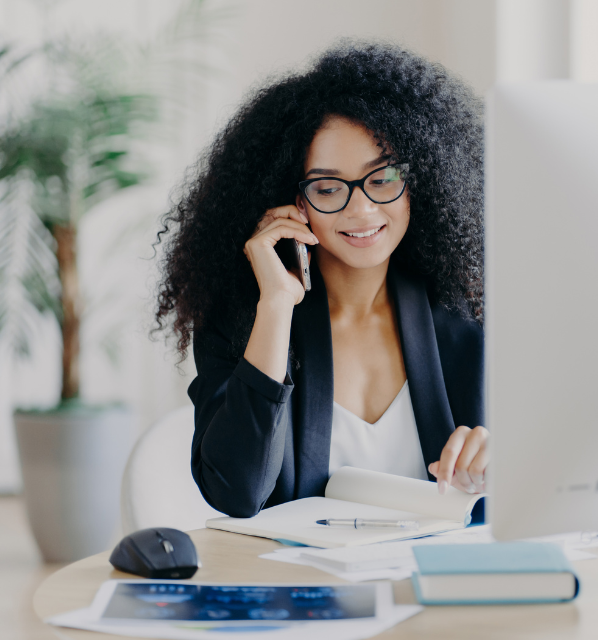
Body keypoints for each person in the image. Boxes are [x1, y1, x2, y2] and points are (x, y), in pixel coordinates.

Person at [154, 42, 486, 518]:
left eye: (384, 177)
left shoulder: (469, 314)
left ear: (423, 178)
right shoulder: (245, 320)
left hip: (435, 583)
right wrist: (276, 305)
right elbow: (237, 492)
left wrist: (497, 460)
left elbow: (531, 474)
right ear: (294, 201)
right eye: (328, 188)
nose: (362, 209)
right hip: (301, 587)